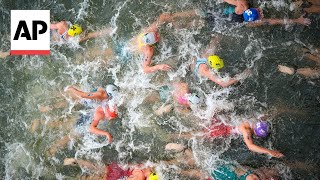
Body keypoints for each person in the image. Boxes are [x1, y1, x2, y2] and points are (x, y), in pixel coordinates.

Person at [171, 115, 284, 158]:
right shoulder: (246, 131)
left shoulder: (255, 119)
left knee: (198, 129)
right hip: (222, 129)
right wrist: (269, 151)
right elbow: (251, 146)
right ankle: (173, 136)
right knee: (197, 135)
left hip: (222, 121)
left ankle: (175, 133)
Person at [129, 11, 199, 73]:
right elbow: (145, 69)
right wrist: (159, 67)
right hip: (131, 52)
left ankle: (194, 12)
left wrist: (172, 17)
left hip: (132, 44)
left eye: (156, 34)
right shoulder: (149, 51)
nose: (158, 35)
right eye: (157, 37)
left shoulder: (149, 30)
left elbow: (162, 17)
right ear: (152, 44)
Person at [164, 144, 280, 179]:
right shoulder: (252, 176)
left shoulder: (254, 175)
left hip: (225, 170)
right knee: (199, 169)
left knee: (200, 168)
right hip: (224, 172)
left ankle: (182, 153)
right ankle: (183, 151)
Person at [63, 157, 159, 180]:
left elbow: (92, 166)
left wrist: (76, 161)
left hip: (143, 167)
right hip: (146, 172)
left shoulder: (106, 171)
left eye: (87, 177)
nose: (92, 177)